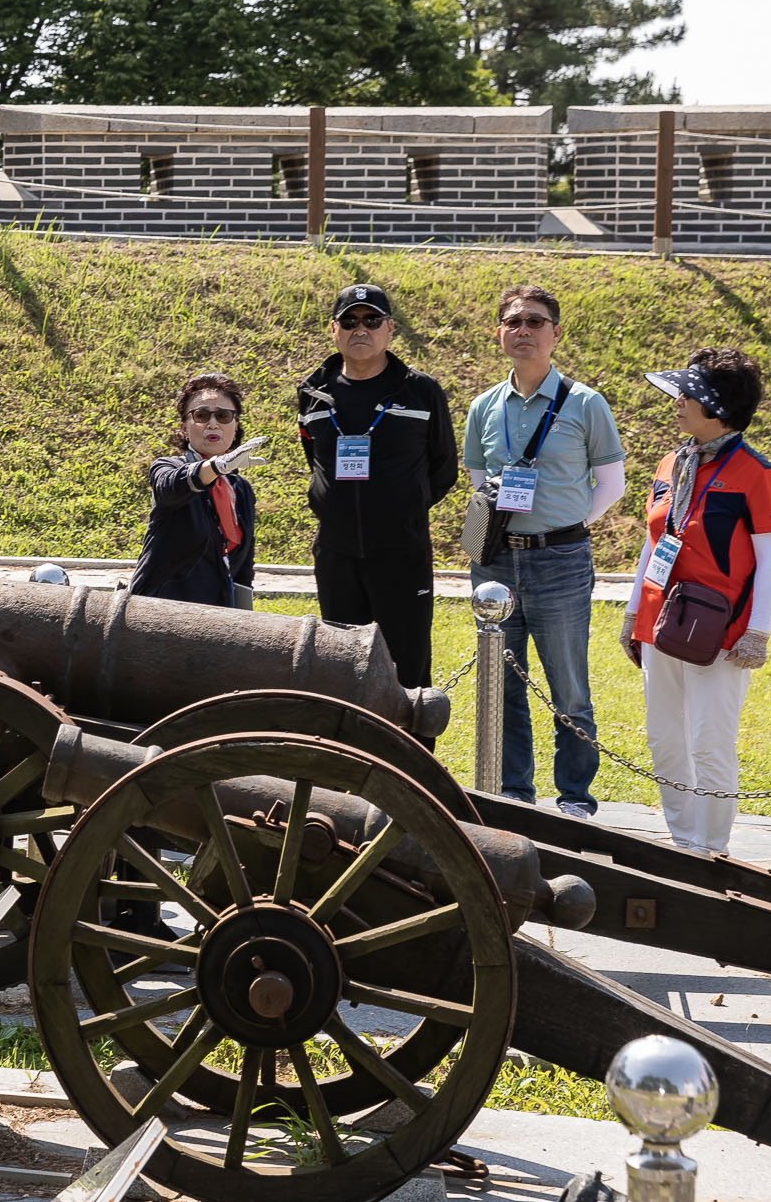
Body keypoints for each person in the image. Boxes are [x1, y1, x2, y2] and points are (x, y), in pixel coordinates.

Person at [462, 285, 628, 818]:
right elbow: (479, 477)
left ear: (555, 334)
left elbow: (612, 482)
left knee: (568, 685)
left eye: (536, 322)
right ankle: (514, 794)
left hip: (560, 560)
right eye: (513, 322)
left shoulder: (585, 403)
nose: (524, 330)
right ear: (499, 333)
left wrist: (570, 523)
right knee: (502, 682)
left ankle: (575, 798)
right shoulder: (484, 406)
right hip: (494, 560)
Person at [623, 349, 771, 857]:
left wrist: (756, 633)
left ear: (715, 407)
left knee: (709, 743)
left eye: (687, 394)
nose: (677, 402)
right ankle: (682, 845)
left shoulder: (758, 475)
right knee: (665, 741)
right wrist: (634, 612)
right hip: (661, 622)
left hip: (721, 634)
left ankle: (711, 851)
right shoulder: (672, 461)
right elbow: (655, 541)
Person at [295, 282, 458, 690]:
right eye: (349, 321)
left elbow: (443, 467)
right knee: (341, 670)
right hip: (336, 556)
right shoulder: (312, 392)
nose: (360, 328)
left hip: (401, 554)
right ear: (334, 330)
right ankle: (349, 754)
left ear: (390, 329)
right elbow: (315, 461)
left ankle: (409, 755)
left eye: (371, 320)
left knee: (407, 670)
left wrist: (402, 506)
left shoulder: (421, 391)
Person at [127, 372, 261, 606]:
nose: (212, 423)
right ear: (185, 426)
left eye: (223, 416)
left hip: (218, 616)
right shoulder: (168, 467)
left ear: (235, 425)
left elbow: (243, 569)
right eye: (201, 415)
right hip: (159, 613)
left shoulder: (241, 489)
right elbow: (169, 487)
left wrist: (244, 621)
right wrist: (216, 466)